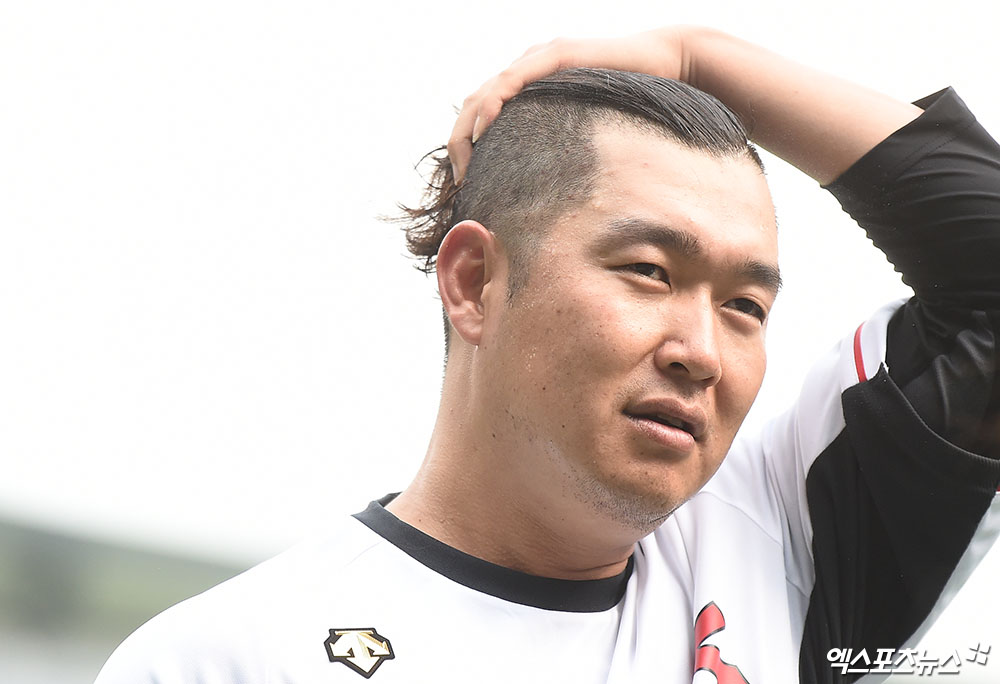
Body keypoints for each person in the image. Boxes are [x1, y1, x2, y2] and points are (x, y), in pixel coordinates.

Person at [94, 26, 1000, 683]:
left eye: (744, 306)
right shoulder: (227, 659)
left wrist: (698, 56)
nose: (701, 353)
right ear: (474, 282)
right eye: (648, 271)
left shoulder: (784, 550)